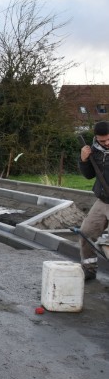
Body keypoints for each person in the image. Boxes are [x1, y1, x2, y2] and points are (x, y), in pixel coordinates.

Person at [78, 120, 109, 281]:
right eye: (102, 141)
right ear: (96, 138)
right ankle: (89, 270)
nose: (107, 143)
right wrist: (84, 160)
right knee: (87, 233)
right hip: (103, 200)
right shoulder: (94, 150)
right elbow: (89, 174)